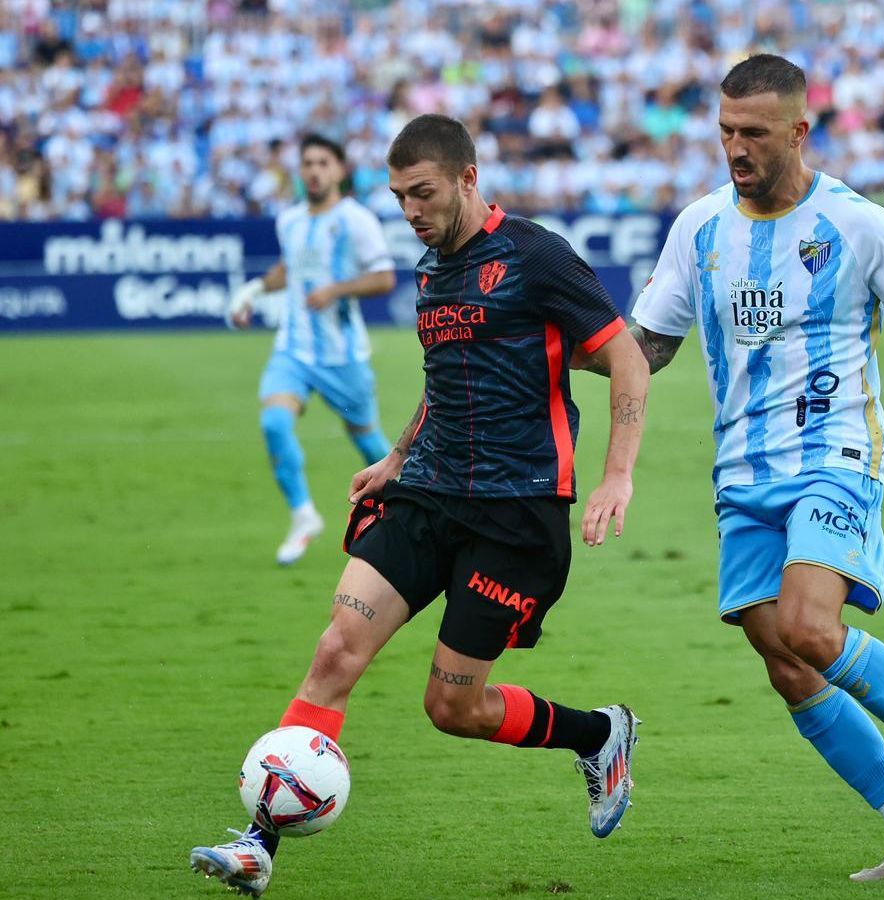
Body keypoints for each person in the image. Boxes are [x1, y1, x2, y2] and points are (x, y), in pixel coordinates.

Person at [192, 114, 651, 897]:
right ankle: (259, 842)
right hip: (429, 494)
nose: (411, 210)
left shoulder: (534, 255)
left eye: (424, 193)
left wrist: (617, 477)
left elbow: (627, 359)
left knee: (452, 706)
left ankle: (599, 734)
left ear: (468, 179)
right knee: (336, 650)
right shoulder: (430, 268)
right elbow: (443, 379)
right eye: (401, 195)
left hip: (517, 514)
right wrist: (396, 457)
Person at [576, 55, 884, 881]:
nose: (735, 147)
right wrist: (557, 345)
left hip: (836, 453)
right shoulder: (699, 227)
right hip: (741, 470)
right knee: (784, 658)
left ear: (799, 131)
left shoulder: (856, 223)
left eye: (754, 133)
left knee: (808, 624)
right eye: (726, 130)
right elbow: (649, 348)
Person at [226, 134, 398, 566]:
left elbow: (384, 278)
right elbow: (291, 266)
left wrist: (336, 290)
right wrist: (253, 290)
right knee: (273, 424)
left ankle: (407, 508)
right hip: (294, 349)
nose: (314, 170)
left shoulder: (357, 220)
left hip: (343, 354)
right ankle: (304, 515)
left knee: (372, 446)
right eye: (307, 163)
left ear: (339, 169)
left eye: (323, 162)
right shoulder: (290, 220)